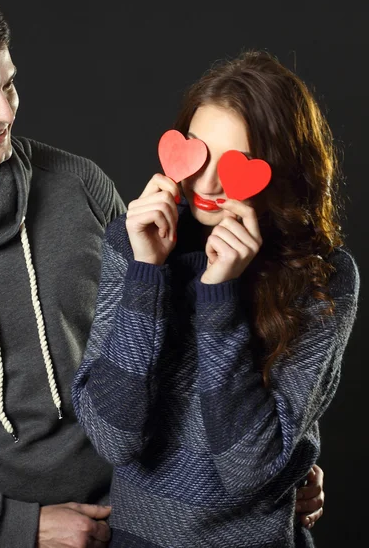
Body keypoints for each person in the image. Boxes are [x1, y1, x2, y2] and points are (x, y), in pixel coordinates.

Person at [0, 0, 324, 548]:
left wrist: (289, 457)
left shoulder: (81, 186)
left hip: (143, 522)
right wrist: (19, 529)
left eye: (8, 83)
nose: (4, 111)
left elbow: (186, 347)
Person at [72, 51, 356, 547]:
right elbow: (114, 437)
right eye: (198, 156)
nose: (206, 184)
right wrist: (146, 276)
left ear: (280, 167)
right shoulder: (135, 241)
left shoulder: (322, 276)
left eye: (236, 163)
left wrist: (220, 296)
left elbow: (248, 467)